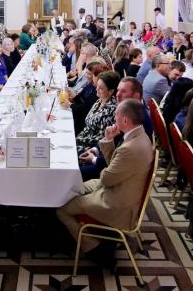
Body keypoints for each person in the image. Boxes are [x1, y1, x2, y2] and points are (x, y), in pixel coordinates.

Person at [57, 99, 154, 269]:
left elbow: (107, 178)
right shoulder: (140, 135)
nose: (114, 118)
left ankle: (96, 249)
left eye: (116, 115)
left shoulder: (130, 147)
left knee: (61, 208)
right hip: (118, 187)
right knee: (71, 189)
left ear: (125, 120)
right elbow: (114, 167)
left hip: (116, 202)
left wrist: (105, 171)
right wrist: (108, 139)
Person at [76, 71, 120, 150]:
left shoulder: (112, 110)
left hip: (89, 147)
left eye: (101, 88)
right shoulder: (99, 100)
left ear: (111, 91)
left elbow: (101, 138)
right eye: (97, 85)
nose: (96, 89)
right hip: (81, 139)